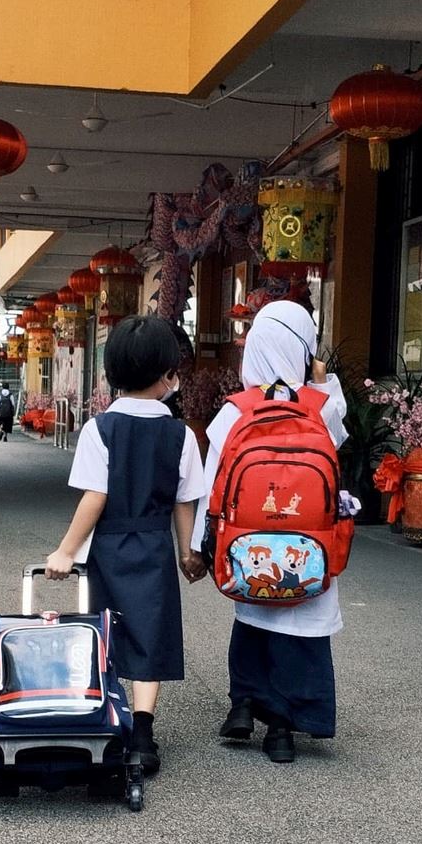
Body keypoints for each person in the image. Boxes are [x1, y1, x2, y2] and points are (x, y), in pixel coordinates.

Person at [45, 315, 206, 777]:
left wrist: (65, 551)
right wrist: (186, 552)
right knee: (149, 636)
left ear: (113, 371)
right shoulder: (181, 434)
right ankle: (142, 733)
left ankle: (106, 719)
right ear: (167, 375)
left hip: (110, 548)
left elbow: (96, 497)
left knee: (105, 631)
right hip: (154, 546)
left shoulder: (100, 429)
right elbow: (182, 501)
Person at [194, 300, 347, 765]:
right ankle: (281, 728)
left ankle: (243, 704)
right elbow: (337, 432)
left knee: (252, 623)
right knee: (302, 633)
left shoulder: (234, 412)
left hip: (249, 548)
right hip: (310, 550)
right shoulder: (322, 409)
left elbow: (211, 483)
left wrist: (202, 545)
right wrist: (321, 377)